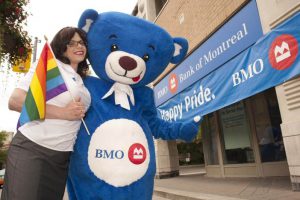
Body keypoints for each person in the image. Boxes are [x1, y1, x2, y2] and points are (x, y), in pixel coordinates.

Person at [1, 27, 91, 200]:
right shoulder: (50, 66)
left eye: (81, 42)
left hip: (62, 156)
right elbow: (15, 101)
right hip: (33, 149)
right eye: (71, 43)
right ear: (61, 46)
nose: (78, 46)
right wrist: (62, 113)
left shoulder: (82, 81)